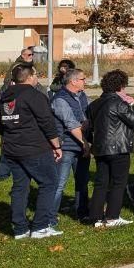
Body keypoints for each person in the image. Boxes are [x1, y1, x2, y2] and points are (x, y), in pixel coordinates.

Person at [0, 62, 63, 238]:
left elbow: (2, 125)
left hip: (11, 148)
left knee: (20, 186)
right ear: (29, 77)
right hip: (33, 148)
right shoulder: (34, 95)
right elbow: (47, 122)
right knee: (49, 183)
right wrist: (56, 145)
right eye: (35, 75)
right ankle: (40, 226)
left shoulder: (5, 96)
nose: (37, 78)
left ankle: (20, 229)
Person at [86, 69, 134, 227]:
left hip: (100, 148)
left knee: (101, 182)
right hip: (119, 148)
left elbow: (88, 126)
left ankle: (96, 217)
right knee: (118, 182)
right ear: (120, 86)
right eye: (124, 86)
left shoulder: (94, 104)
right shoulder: (119, 103)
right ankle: (112, 216)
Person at [49, 67, 90, 222]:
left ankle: (83, 212)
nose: (85, 81)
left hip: (81, 146)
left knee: (82, 182)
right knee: (59, 184)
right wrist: (84, 143)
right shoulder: (60, 99)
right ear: (73, 81)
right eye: (83, 79)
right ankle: (49, 217)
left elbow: (87, 116)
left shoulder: (82, 96)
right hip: (66, 147)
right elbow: (71, 124)